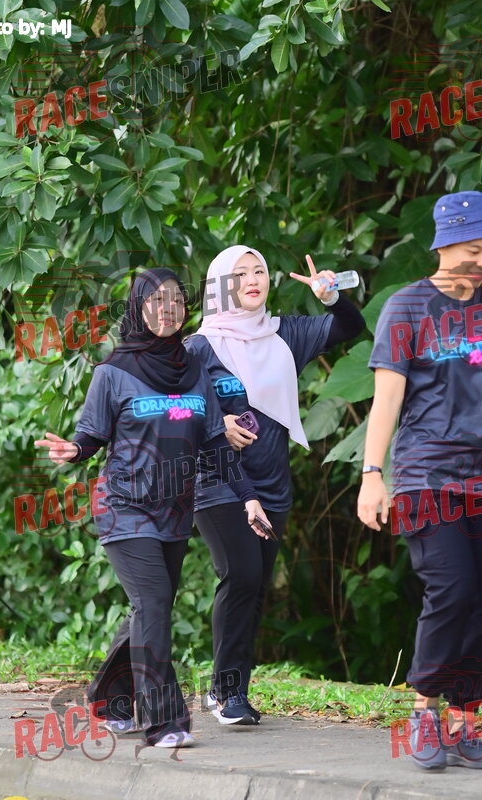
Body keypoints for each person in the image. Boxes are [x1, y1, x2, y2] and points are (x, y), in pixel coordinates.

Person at [35, 268, 271, 749]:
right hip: (124, 506)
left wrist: (248, 496)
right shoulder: (113, 371)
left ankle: (109, 700)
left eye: (177, 301)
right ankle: (165, 721)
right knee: (155, 603)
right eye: (157, 301)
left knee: (148, 609)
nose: (168, 310)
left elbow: (215, 443)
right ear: (139, 307)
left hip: (175, 510)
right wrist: (73, 451)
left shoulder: (193, 369)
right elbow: (91, 435)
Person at [184, 245, 365, 725]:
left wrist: (332, 298)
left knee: (256, 585)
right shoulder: (199, 347)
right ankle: (228, 694)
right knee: (241, 575)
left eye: (259, 271)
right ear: (220, 285)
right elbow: (174, 410)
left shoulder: (286, 333)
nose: (252, 279)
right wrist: (216, 422)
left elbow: (350, 327)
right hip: (217, 480)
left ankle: (229, 688)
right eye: (240, 273)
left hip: (272, 482)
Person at [357, 190, 482, 770]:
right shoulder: (407, 307)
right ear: (446, 245)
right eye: (474, 247)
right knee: (452, 588)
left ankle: (467, 717)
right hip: (426, 475)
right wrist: (372, 474)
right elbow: (386, 400)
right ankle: (424, 710)